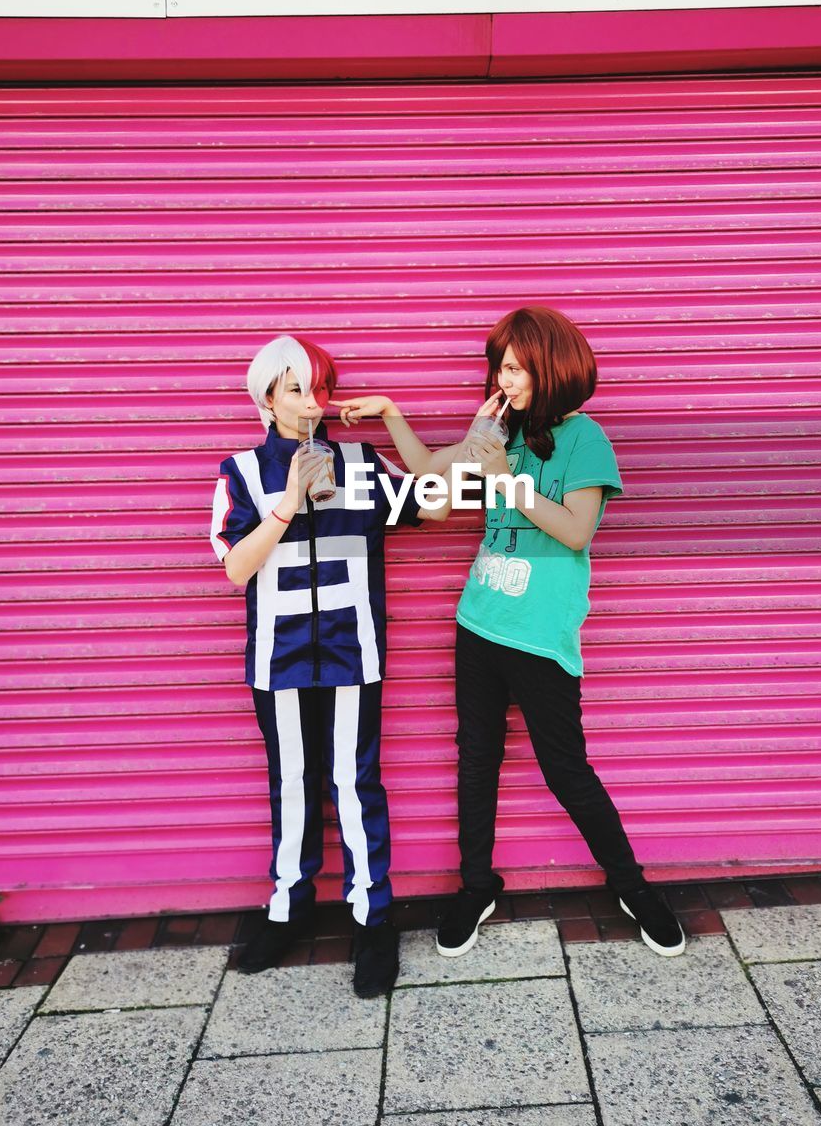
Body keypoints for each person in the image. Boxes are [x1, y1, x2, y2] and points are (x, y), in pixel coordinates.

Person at [337, 306, 685, 959]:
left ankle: (634, 887)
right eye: (500, 366)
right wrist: (390, 412)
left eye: (517, 367)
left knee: (566, 770)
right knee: (476, 760)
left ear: (550, 369)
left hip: (541, 637)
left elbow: (577, 530)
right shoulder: (504, 434)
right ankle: (476, 886)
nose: (505, 377)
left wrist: (503, 476)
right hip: (478, 624)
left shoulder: (587, 441)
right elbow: (428, 473)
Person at [210, 333, 453, 997]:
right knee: (292, 782)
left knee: (352, 782)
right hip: (278, 654)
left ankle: (373, 919)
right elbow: (236, 567)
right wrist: (288, 500)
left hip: (353, 648)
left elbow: (434, 505)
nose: (313, 403)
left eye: (320, 388)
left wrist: (394, 415)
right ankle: (286, 908)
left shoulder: (359, 460)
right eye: (296, 389)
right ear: (266, 396)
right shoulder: (239, 471)